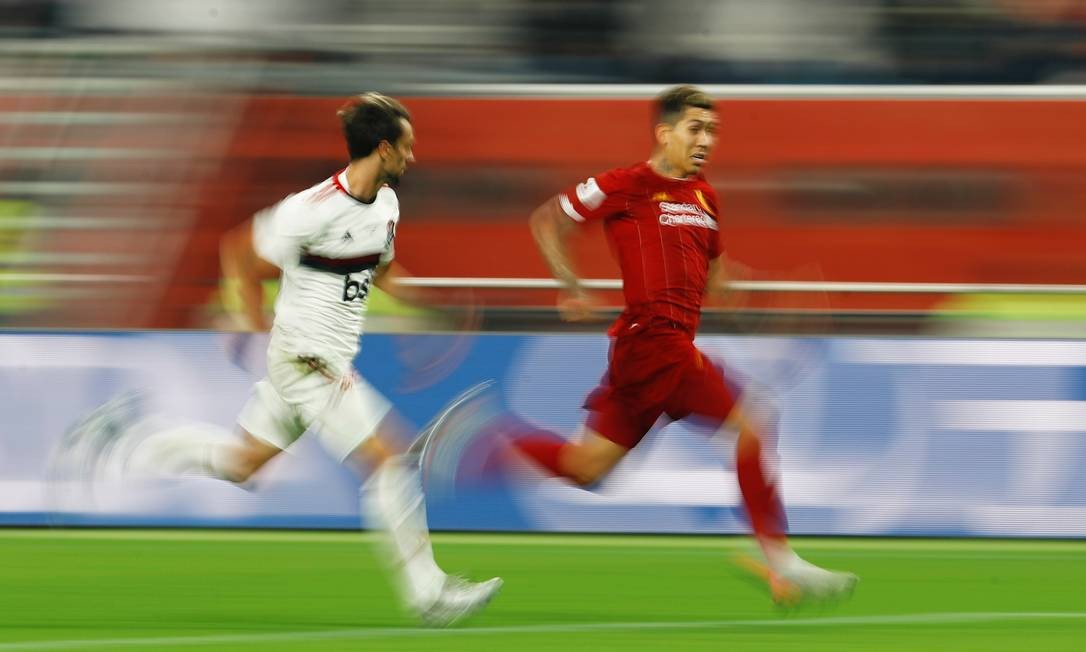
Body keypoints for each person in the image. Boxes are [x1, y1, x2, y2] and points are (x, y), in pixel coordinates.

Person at [61, 92, 501, 626]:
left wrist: (434, 307)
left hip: (320, 360)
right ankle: (428, 592)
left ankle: (121, 441)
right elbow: (237, 252)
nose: (413, 157)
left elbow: (382, 270)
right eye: (406, 147)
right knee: (391, 461)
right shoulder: (309, 210)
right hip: (308, 361)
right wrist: (248, 321)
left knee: (240, 465)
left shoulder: (386, 205)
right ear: (383, 148)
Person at [423, 85, 855, 605]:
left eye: (713, 131)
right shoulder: (627, 185)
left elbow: (718, 283)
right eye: (696, 129)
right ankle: (780, 558)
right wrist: (571, 283)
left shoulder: (704, 198)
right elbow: (548, 220)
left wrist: (774, 295)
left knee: (589, 469)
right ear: (664, 133)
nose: (706, 141)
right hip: (652, 343)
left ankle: (479, 440)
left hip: (664, 351)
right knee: (752, 424)